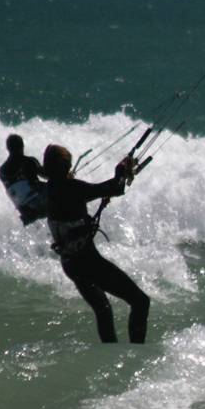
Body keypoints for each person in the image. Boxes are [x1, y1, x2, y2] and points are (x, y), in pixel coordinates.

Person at [43, 144, 150, 344]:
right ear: (67, 167)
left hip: (70, 264)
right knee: (141, 302)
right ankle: (136, 353)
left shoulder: (49, 189)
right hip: (88, 263)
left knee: (103, 309)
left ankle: (111, 353)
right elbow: (114, 189)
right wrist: (120, 170)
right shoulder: (72, 188)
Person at [0, 134, 48, 225]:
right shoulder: (29, 161)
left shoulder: (2, 171)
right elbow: (48, 176)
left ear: (8, 148)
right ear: (22, 146)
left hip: (25, 210)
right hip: (40, 204)